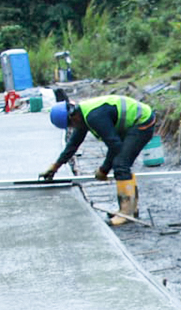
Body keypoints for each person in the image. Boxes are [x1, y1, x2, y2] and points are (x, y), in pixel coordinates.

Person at [40, 95, 157, 225]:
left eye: (71, 124)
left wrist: (104, 169)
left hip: (142, 122)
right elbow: (73, 145)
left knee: (121, 164)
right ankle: (130, 209)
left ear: (73, 116)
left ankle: (126, 213)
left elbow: (115, 145)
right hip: (132, 124)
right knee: (121, 163)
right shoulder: (82, 116)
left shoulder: (94, 117)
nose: (72, 127)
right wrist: (55, 166)